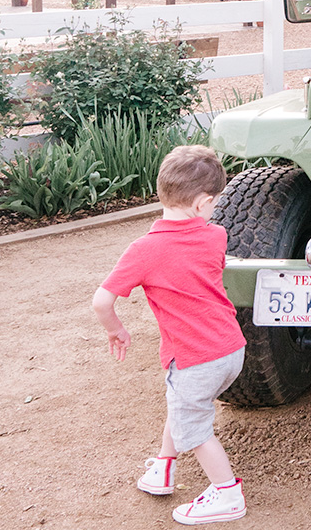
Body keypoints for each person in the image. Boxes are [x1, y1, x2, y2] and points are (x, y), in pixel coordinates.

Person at [91, 144, 248, 524]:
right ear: (201, 204)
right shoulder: (216, 236)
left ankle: (227, 494)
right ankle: (163, 467)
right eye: (214, 203)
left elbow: (101, 301)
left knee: (194, 429)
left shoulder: (144, 249)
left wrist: (117, 330)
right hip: (230, 350)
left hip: (195, 358)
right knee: (181, 406)